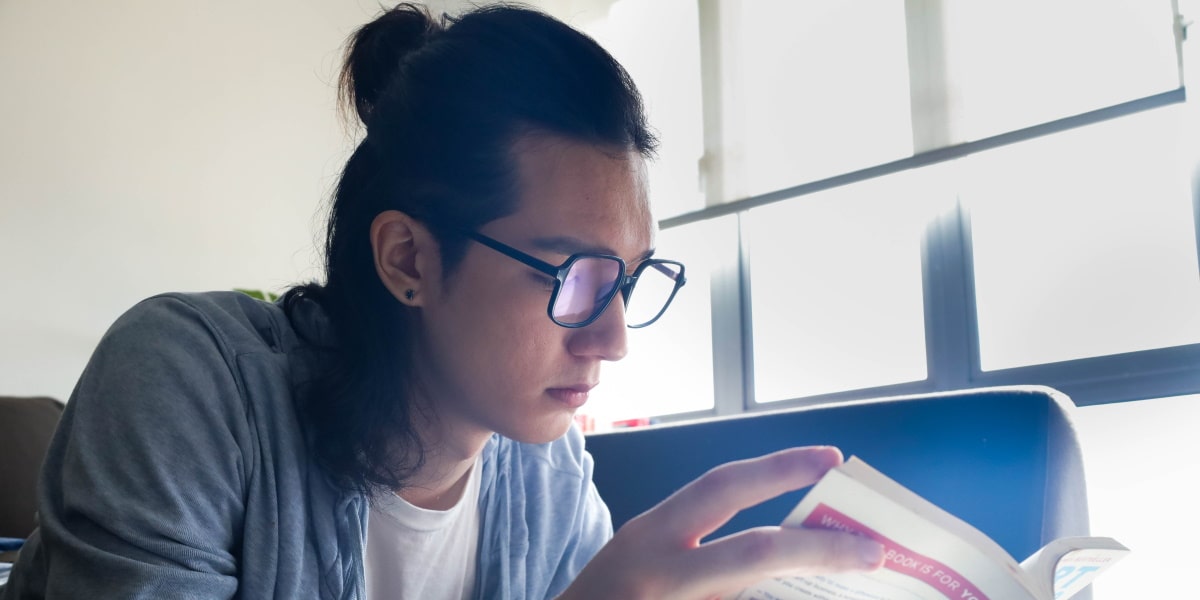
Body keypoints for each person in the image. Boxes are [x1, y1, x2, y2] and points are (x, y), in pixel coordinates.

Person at [1, 3, 884, 599]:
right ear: (407, 260)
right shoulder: (189, 385)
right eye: (574, 275)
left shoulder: (548, 477)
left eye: (628, 277)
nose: (613, 338)